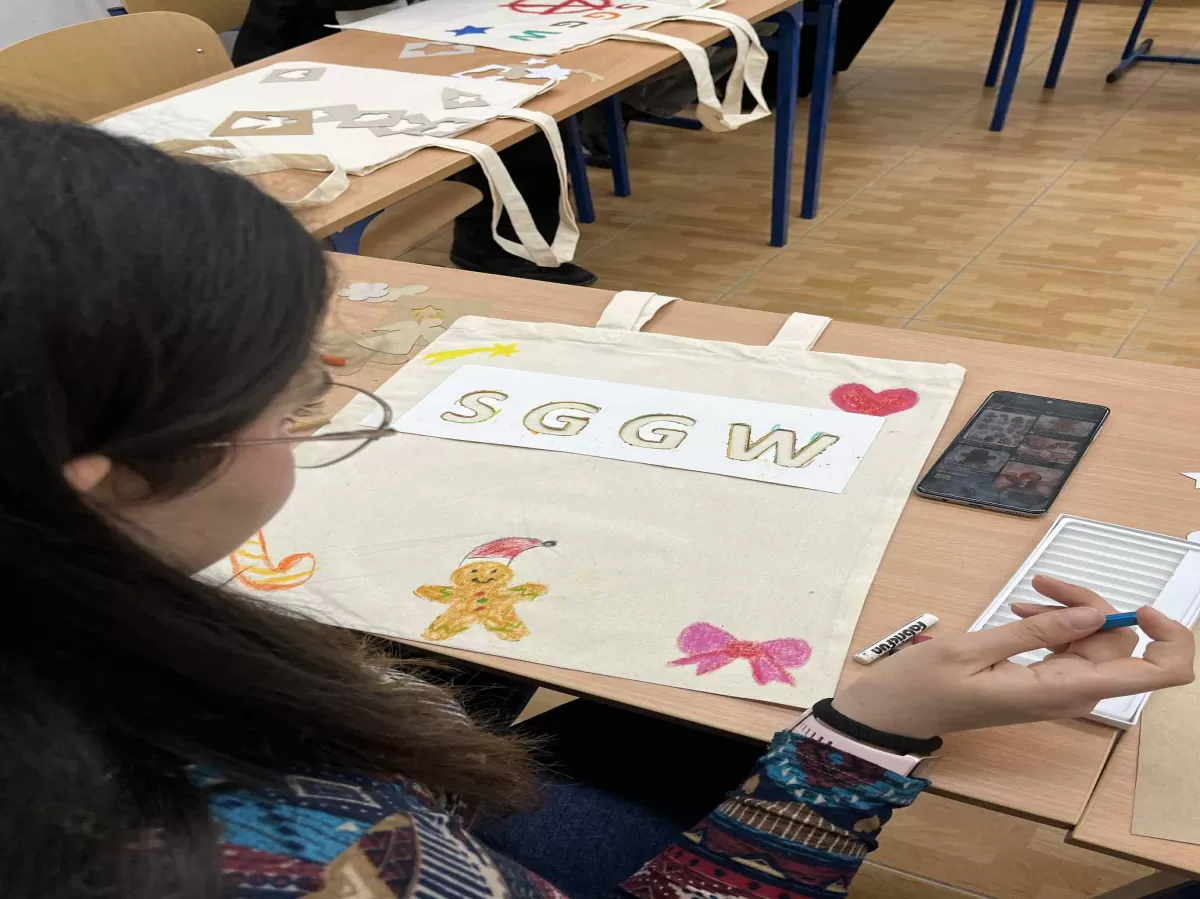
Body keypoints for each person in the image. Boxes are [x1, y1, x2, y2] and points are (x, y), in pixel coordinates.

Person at [2, 109, 1194, 899]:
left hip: (392, 791)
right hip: (439, 835)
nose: (323, 405)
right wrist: (864, 736)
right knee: (690, 716)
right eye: (295, 392)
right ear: (97, 478)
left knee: (660, 692)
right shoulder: (267, 861)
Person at [232, 0, 598, 287]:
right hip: (306, 63)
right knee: (509, 113)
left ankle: (500, 246)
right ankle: (496, 250)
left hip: (412, 33)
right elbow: (372, 30)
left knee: (535, 105)